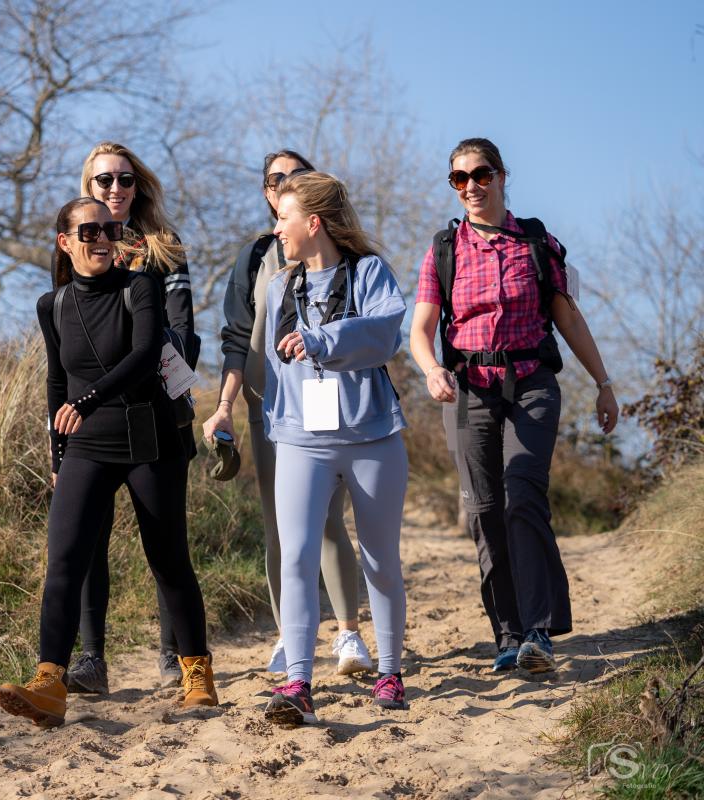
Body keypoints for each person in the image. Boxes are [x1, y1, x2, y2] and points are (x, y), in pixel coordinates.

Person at [0, 197, 217, 728]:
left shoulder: (139, 288)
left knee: (168, 559)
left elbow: (144, 355)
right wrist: (58, 453)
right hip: (86, 445)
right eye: (88, 232)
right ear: (64, 242)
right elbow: (56, 381)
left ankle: (197, 673)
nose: (101, 240)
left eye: (109, 231)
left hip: (149, 440)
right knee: (65, 560)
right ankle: (49, 682)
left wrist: (88, 400)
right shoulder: (52, 305)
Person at [409, 137, 618, 675]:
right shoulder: (444, 249)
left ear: (502, 176)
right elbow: (421, 330)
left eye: (482, 174)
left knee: (522, 490)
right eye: (459, 178)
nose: (472, 186)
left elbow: (568, 318)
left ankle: (539, 631)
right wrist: (431, 369)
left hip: (531, 382)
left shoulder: (537, 242)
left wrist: (603, 382)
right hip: (469, 389)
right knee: (483, 508)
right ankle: (508, 633)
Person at [203, 150, 373, 677]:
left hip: (324, 401)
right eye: (275, 178)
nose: (284, 184)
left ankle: (348, 634)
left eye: (296, 176)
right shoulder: (256, 256)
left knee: (327, 520)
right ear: (264, 191)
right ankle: (288, 636)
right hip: (268, 406)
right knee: (280, 525)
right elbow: (237, 338)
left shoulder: (342, 257)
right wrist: (225, 405)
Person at [260, 171, 410, 726]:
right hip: (303, 441)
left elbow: (385, 334)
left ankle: (390, 672)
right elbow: (275, 370)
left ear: (313, 223)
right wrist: (277, 428)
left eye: (284, 219)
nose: (277, 229)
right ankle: (299, 682)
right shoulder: (280, 288)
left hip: (372, 437)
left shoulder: (369, 273)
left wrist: (321, 339)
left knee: (380, 560)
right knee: (297, 556)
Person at [64, 142, 202, 693]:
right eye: (104, 180)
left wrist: (147, 368)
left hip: (156, 411)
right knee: (88, 540)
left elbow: (183, 331)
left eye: (125, 179)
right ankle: (91, 660)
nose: (116, 189)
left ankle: (174, 656)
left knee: (165, 544)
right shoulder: (75, 243)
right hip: (93, 418)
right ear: (88, 186)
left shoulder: (163, 248)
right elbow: (66, 335)